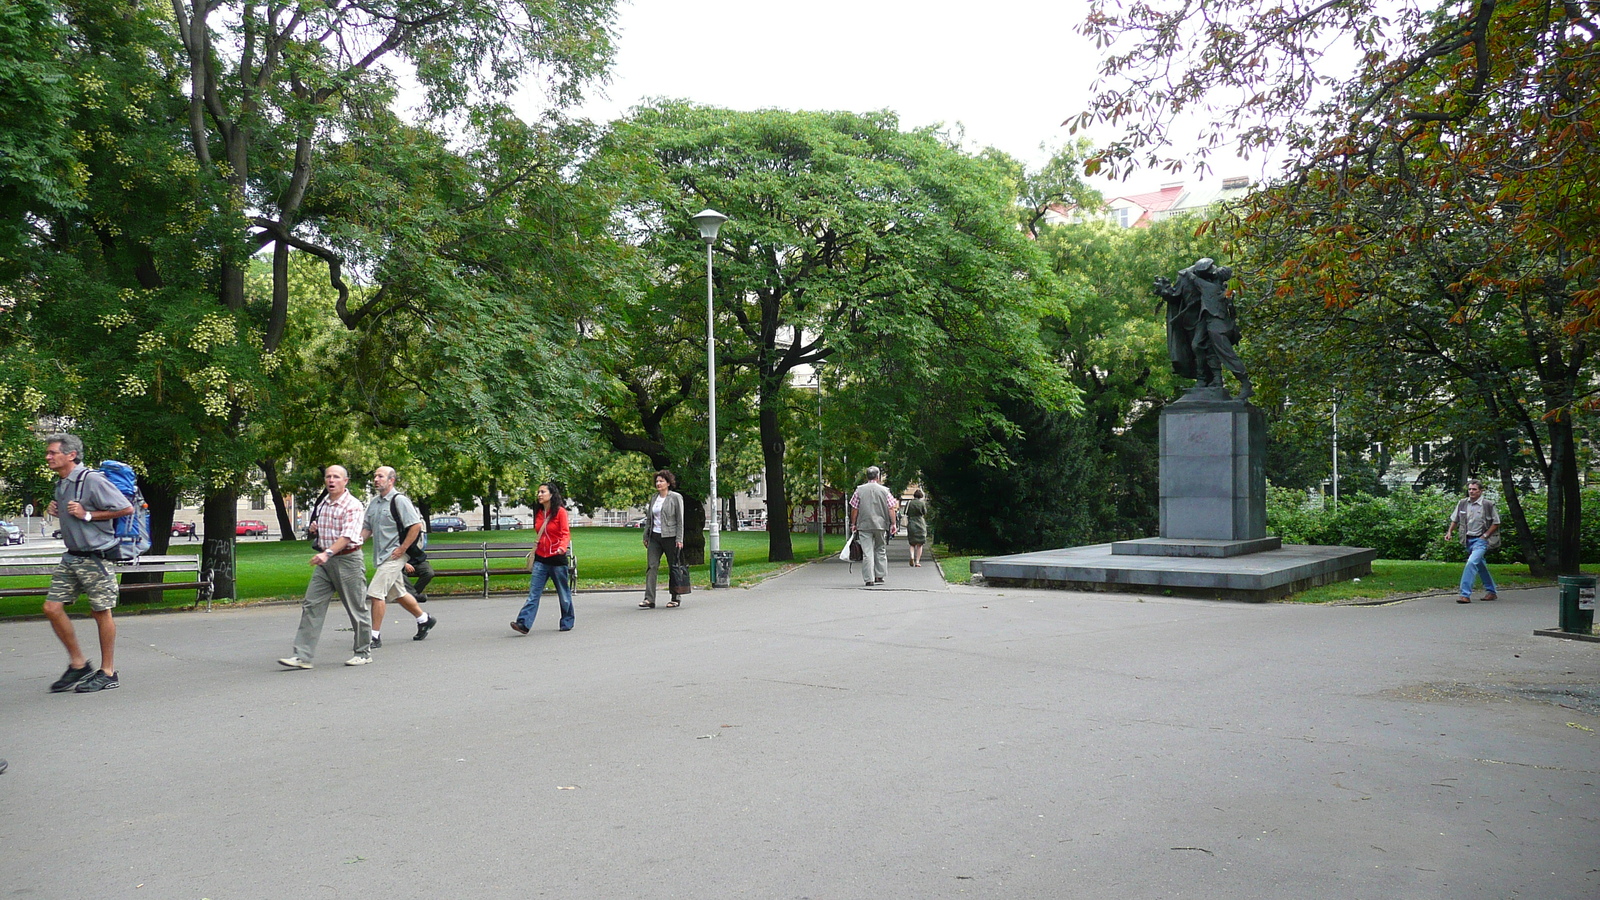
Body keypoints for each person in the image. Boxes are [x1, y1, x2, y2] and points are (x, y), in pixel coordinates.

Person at [40, 433, 134, 693]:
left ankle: (108, 672)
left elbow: (126, 508)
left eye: (52, 453)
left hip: (96, 557)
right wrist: (57, 509)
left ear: (70, 455)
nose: (47, 457)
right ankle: (79, 664)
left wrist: (88, 514)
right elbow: (72, 513)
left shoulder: (92, 479)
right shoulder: (62, 483)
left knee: (100, 612)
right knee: (51, 607)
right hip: (72, 557)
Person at [279, 465, 373, 669]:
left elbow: (348, 536)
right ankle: (302, 656)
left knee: (356, 607)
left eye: (336, 477)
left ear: (345, 481)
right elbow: (324, 527)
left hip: (347, 560)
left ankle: (363, 652)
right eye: (328, 476)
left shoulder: (353, 505)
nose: (331, 480)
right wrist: (315, 528)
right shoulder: (324, 503)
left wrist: (327, 553)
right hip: (326, 562)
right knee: (312, 604)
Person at [362, 467, 436, 647]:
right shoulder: (374, 503)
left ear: (391, 480)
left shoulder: (400, 500)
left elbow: (416, 526)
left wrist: (402, 549)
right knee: (399, 593)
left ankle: (374, 636)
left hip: (395, 555)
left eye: (380, 476)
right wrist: (354, 544)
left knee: (376, 593)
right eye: (375, 476)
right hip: (382, 555)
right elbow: (367, 528)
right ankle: (424, 619)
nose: (376, 479)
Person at [512, 482, 575, 633]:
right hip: (541, 558)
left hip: (557, 559)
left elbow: (565, 533)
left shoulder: (560, 512)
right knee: (534, 593)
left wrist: (562, 546)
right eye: (538, 492)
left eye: (543, 492)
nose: (539, 494)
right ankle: (523, 623)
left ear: (551, 494)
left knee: (564, 594)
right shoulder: (540, 512)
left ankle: (567, 621)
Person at [1446, 478, 1501, 604]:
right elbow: (1455, 519)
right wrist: (1449, 532)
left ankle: (1464, 594)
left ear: (1480, 491)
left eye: (1474, 489)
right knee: (1480, 565)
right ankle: (1491, 591)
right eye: (1470, 489)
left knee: (1471, 563)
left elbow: (1496, 522)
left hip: (1481, 540)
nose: (1471, 491)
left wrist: (1485, 536)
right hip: (1468, 539)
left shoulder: (1487, 505)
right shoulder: (1463, 503)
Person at [639, 469, 685, 609]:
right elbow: (649, 518)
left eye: (661, 481)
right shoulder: (654, 498)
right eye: (657, 481)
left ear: (668, 483)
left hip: (670, 537)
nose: (658, 484)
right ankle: (649, 599)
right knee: (651, 566)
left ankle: (675, 597)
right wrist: (646, 535)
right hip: (655, 537)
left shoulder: (675, 497)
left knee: (673, 567)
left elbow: (680, 520)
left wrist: (679, 538)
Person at [850, 466, 897, 587]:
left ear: (867, 477)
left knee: (867, 552)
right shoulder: (885, 491)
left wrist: (853, 523)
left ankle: (868, 579)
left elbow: (854, 508)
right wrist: (893, 524)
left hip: (864, 525)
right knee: (880, 549)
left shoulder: (859, 490)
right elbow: (891, 508)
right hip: (880, 525)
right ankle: (879, 575)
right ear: (878, 476)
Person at [903, 489, 930, 567]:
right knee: (920, 544)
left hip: (911, 523)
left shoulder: (909, 503)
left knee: (912, 543)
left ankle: (911, 556)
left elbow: (906, 512)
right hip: (920, 523)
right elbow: (924, 512)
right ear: (921, 496)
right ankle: (917, 561)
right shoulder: (922, 503)